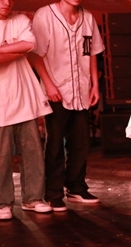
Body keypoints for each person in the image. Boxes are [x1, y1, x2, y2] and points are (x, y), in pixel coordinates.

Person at [29, 0, 103, 211]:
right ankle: (53, 193)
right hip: (57, 91)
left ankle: (76, 187)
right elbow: (35, 54)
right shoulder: (45, 15)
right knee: (54, 144)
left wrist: (95, 84)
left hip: (81, 90)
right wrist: (48, 84)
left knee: (81, 142)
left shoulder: (88, 18)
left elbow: (92, 53)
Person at [0, 0, 54, 221]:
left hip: (25, 98)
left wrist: (2, 50)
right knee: (1, 157)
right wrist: (16, 49)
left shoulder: (20, 20)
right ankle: (1, 203)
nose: (6, 3)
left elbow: (29, 44)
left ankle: (33, 198)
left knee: (33, 152)